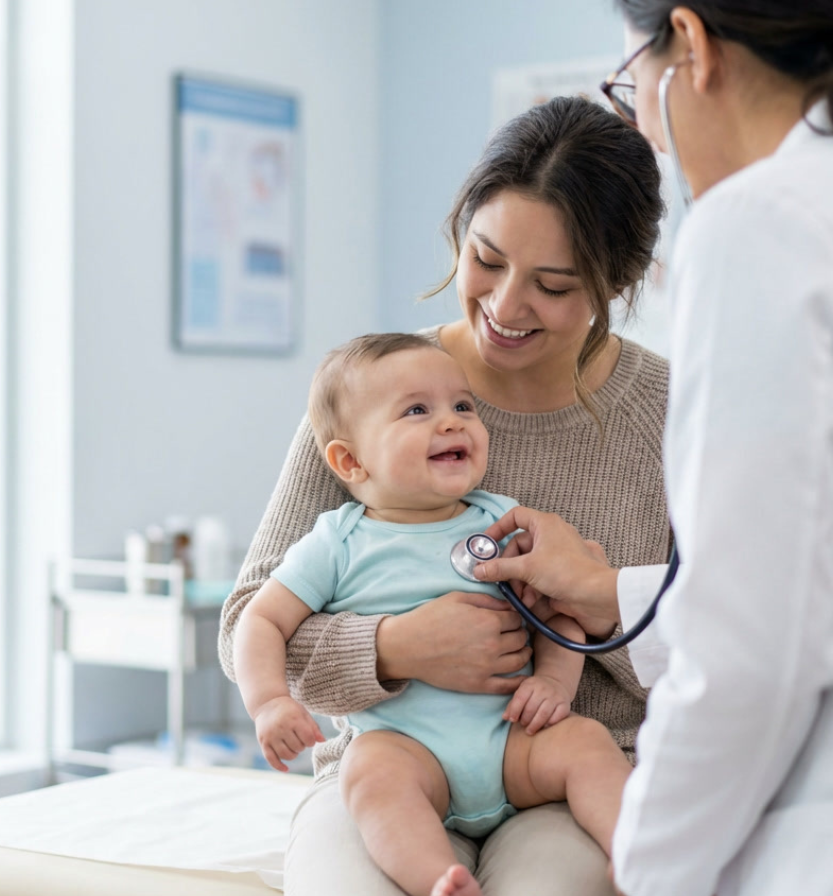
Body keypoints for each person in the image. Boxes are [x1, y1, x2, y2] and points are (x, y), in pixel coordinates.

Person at [471, 0, 833, 892]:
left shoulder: (760, 224)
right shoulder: (379, 376)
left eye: (638, 87)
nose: (657, 138)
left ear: (693, 45)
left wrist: (654, 870)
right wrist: (608, 589)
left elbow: (750, 647)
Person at [219, 95, 672, 896]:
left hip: (558, 768)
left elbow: (739, 653)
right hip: (389, 759)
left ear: (619, 281)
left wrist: (602, 606)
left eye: (554, 285)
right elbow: (246, 623)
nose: (504, 306)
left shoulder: (673, 416)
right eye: (486, 258)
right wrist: (394, 648)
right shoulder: (375, 395)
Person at [233, 334, 633, 896]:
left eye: (463, 406)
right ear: (350, 460)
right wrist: (270, 702)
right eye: (418, 410)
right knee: (369, 773)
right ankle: (437, 880)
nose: (451, 422)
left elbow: (560, 611)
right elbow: (260, 621)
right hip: (410, 750)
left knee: (588, 743)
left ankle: (636, 852)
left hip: (513, 743)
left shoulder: (503, 521)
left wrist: (553, 681)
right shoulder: (338, 542)